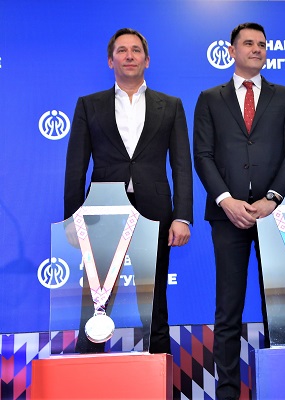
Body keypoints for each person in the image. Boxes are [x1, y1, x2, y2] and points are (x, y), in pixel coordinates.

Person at [193, 22, 285, 400]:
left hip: (274, 215)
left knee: (276, 306)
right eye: (248, 43)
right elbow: (202, 155)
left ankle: (278, 388)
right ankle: (227, 392)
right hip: (227, 216)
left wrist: (272, 198)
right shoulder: (210, 98)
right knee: (228, 309)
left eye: (261, 44)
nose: (256, 49)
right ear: (232, 51)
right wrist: (226, 200)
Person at [64, 28, 193, 355]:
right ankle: (88, 370)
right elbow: (76, 166)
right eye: (122, 50)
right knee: (96, 299)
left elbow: (181, 164)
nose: (129, 56)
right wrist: (73, 218)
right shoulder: (89, 105)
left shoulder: (171, 105)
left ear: (147, 60)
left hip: (156, 212)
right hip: (102, 212)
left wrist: (182, 217)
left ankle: (160, 370)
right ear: (111, 61)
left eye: (136, 50)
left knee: (155, 300)